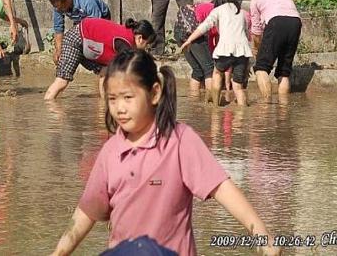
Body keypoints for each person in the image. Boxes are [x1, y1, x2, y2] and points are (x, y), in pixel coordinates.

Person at [50, 50, 279, 256]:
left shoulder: (179, 141)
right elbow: (86, 213)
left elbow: (221, 188)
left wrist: (261, 233)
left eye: (128, 98)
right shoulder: (111, 152)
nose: (120, 108)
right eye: (112, 99)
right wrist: (58, 253)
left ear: (155, 93)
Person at [44, 17, 155, 100]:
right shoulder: (125, 43)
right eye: (147, 45)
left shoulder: (127, 37)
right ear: (140, 38)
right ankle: (49, 107)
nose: (146, 49)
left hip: (87, 42)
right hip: (77, 39)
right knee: (62, 82)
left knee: (105, 72)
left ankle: (103, 105)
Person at [179, 0, 252, 106]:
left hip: (225, 50)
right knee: (238, 86)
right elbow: (246, 34)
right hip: (242, 52)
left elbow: (204, 27)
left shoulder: (218, 10)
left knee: (217, 73)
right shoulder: (241, 12)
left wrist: (189, 40)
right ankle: (242, 112)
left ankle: (216, 106)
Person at [249, 0, 302, 99]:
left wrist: (256, 49)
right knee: (284, 71)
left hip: (276, 22)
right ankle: (283, 108)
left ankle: (266, 108)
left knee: (261, 68)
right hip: (295, 23)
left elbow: (256, 32)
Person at [49, 0, 111, 65]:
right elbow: (58, 28)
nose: (60, 10)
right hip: (79, 19)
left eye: (62, 7)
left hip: (100, 18)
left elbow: (97, 27)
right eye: (57, 8)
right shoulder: (58, 6)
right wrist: (58, 50)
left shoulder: (87, 2)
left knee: (97, 48)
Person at [173, 1, 216, 96]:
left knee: (197, 70)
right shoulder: (218, 10)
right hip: (193, 34)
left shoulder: (203, 6)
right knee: (209, 68)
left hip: (180, 33)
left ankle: (194, 100)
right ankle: (212, 102)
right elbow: (213, 35)